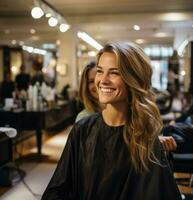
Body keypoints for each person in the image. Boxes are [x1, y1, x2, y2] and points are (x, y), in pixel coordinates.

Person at [42, 42, 181, 200]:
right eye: (100, 71)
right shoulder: (82, 130)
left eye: (114, 73)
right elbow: (57, 190)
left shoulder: (148, 139)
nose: (103, 80)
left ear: (133, 79)